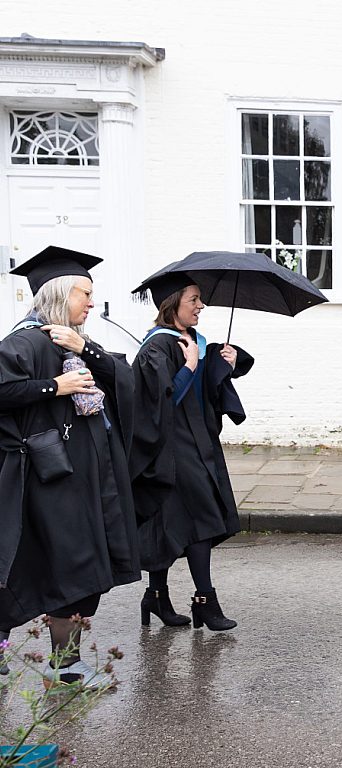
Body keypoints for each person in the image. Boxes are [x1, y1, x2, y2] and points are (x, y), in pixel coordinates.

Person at [0, 246, 139, 688]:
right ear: (59, 294)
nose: (92, 303)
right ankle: (44, 657)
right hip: (45, 480)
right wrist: (52, 387)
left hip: (86, 478)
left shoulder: (74, 342)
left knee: (81, 570)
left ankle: (67, 663)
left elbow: (126, 384)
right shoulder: (24, 343)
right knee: (50, 566)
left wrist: (89, 352)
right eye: (85, 293)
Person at [129, 273, 254, 631]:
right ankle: (205, 601)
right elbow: (160, 403)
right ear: (172, 304)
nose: (201, 306)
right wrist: (190, 367)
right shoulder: (156, 347)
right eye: (194, 300)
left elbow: (204, 395)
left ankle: (156, 597)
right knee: (200, 518)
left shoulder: (191, 340)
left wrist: (225, 364)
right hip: (169, 448)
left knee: (170, 523)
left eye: (200, 299)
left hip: (198, 443)